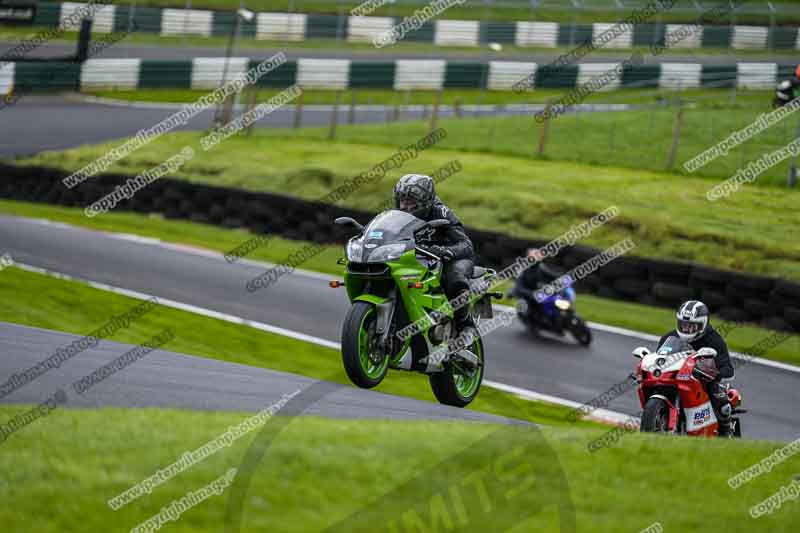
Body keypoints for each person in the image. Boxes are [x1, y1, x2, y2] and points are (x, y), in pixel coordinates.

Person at [393, 174, 476, 341]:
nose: (405, 206)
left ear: (425, 200)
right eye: (402, 200)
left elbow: (466, 245)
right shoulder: (396, 215)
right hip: (420, 258)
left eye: (410, 201)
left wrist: (446, 251)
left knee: (455, 277)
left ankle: (465, 326)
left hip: (450, 259)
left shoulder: (441, 213)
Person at [658, 300, 735, 436]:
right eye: (683, 325)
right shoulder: (669, 337)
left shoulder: (714, 340)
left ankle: (726, 430)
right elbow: (659, 359)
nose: (686, 329)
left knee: (721, 400)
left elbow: (728, 368)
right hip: (675, 377)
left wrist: (714, 374)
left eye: (692, 326)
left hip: (702, 381)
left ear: (703, 324)